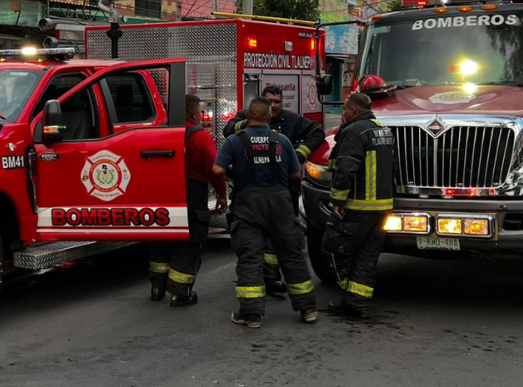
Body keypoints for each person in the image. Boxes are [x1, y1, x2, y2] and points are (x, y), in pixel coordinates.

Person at [213, 97, 317, 328]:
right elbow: (296, 175)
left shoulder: (234, 140)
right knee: (292, 254)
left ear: (247, 116)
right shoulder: (281, 140)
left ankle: (251, 315)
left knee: (250, 256)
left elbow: (217, 169)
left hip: (248, 204)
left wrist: (234, 172)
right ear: (270, 117)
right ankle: (307, 309)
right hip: (280, 203)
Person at [149, 94, 227, 306]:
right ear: (194, 113)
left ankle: (157, 289)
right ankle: (180, 294)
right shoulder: (200, 136)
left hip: (162, 195)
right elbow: (214, 169)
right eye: (200, 112)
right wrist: (222, 194)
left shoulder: (159, 132)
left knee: (161, 241)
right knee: (187, 245)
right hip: (191, 195)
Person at [324, 92, 397, 318]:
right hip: (382, 207)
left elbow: (347, 167)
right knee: (367, 255)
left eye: (345, 109)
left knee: (335, 248)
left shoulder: (355, 132)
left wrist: (337, 200)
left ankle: (348, 290)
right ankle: (356, 303)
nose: (343, 113)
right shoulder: (384, 130)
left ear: (353, 110)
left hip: (358, 205)